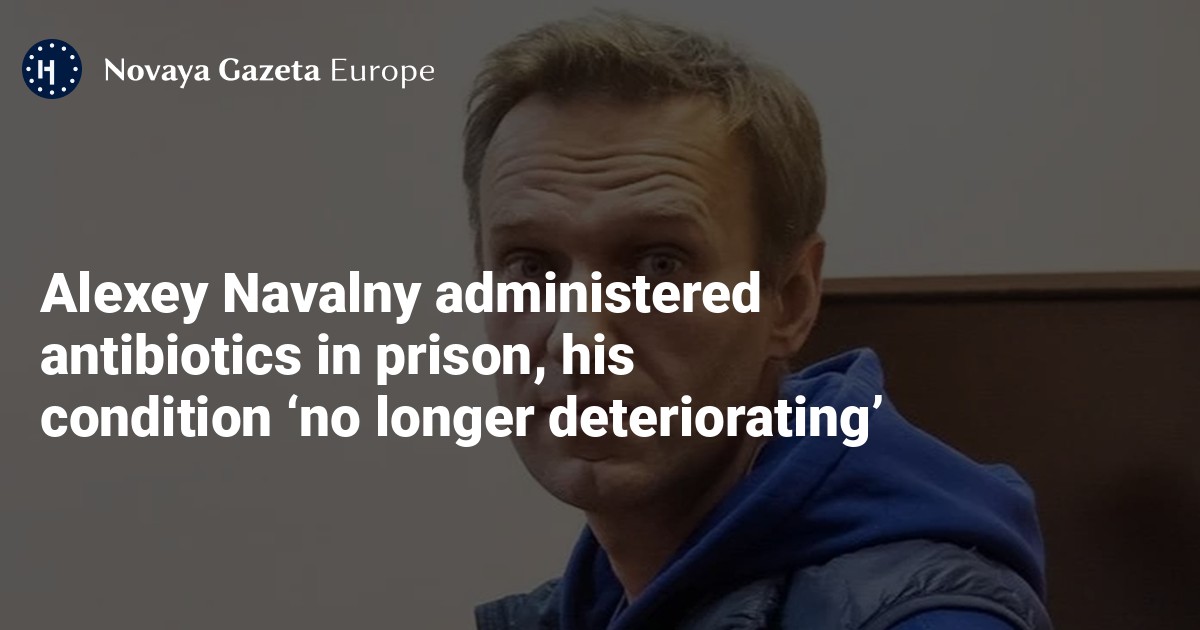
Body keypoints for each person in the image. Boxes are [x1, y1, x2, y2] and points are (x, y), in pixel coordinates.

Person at [463, 12, 1052, 630]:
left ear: (790, 300)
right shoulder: (602, 601)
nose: (576, 337)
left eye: (660, 265)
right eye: (529, 266)